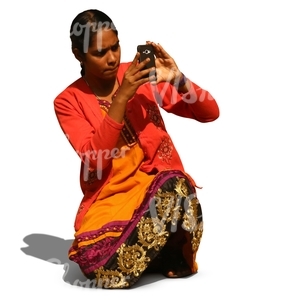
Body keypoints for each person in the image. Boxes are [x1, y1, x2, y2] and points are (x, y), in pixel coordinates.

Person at [54, 9, 219, 289]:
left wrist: (179, 79)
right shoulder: (68, 101)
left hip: (163, 192)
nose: (112, 58)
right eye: (99, 52)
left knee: (175, 187)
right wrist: (123, 96)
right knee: (96, 264)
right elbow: (94, 159)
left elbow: (209, 112)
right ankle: (154, 257)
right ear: (78, 55)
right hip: (111, 203)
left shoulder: (139, 75)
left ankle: (160, 253)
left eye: (115, 47)